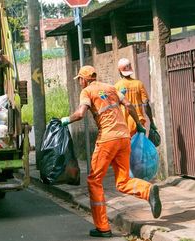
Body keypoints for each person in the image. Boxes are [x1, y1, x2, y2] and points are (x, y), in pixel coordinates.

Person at [60, 65, 162, 238]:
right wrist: (138, 125)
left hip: (107, 139)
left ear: (84, 79)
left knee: (94, 180)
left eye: (79, 80)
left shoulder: (87, 92)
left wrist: (66, 120)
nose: (79, 83)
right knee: (122, 181)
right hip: (123, 138)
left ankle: (103, 228)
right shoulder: (111, 88)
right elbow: (129, 106)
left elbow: (80, 114)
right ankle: (148, 190)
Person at [115, 58, 157, 136]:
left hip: (125, 124)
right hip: (139, 123)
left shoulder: (117, 86)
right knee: (139, 147)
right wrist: (151, 121)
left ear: (119, 71)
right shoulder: (139, 84)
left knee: (128, 148)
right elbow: (146, 104)